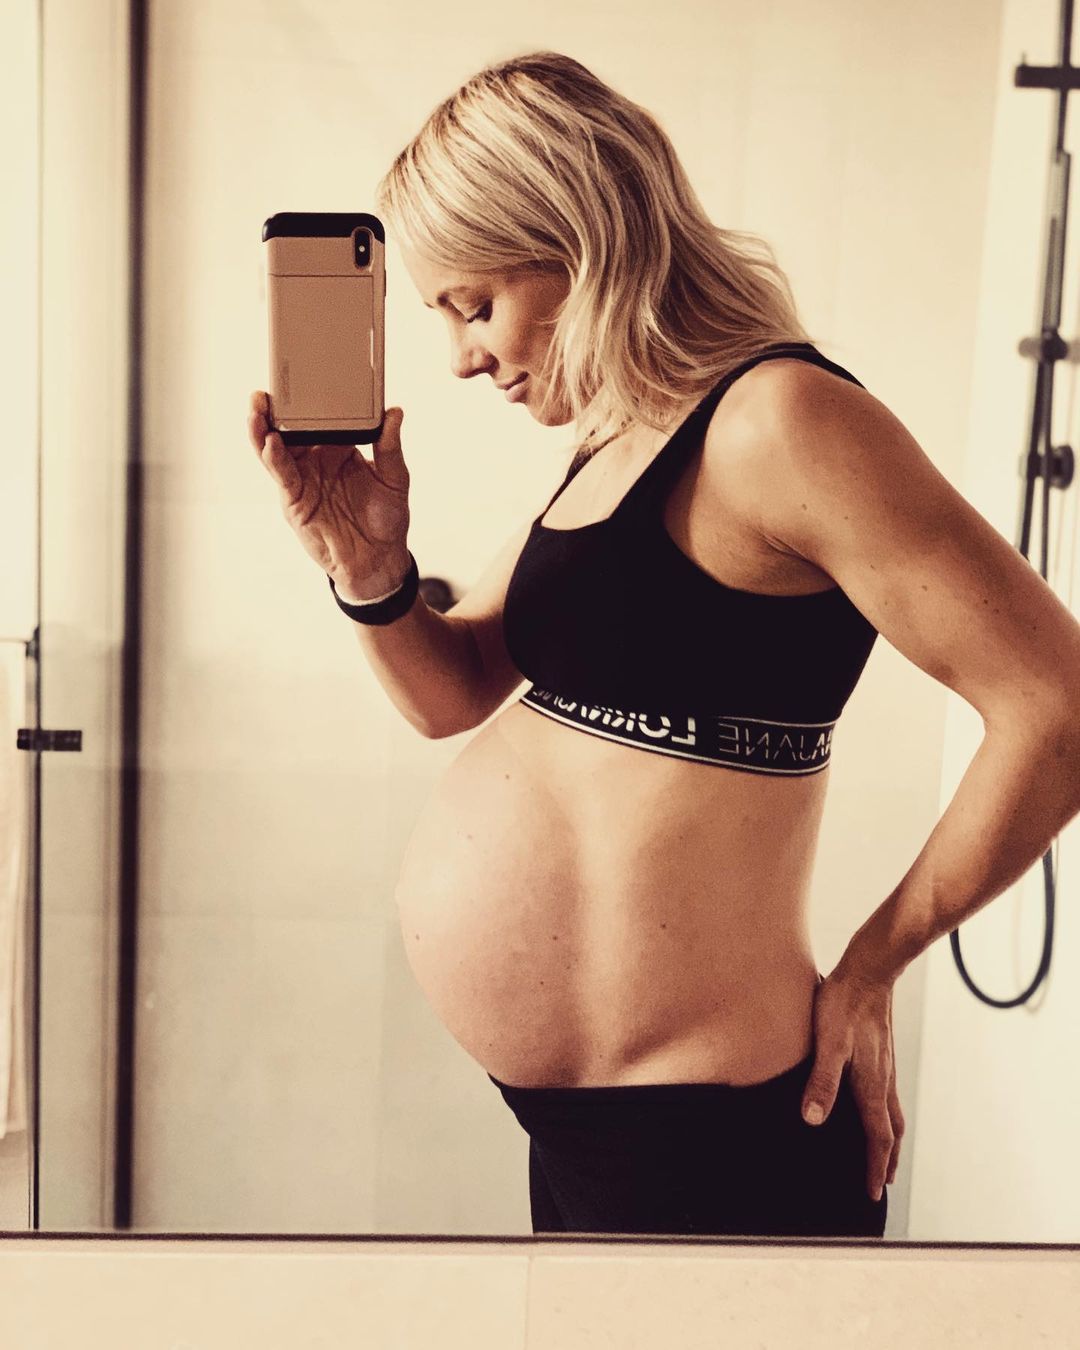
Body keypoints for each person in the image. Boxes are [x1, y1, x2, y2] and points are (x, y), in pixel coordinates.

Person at [246, 53, 1080, 1238]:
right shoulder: (620, 438)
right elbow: (452, 693)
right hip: (584, 1135)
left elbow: (1057, 702)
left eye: (474, 306)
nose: (462, 358)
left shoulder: (781, 421)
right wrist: (368, 569)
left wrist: (875, 963)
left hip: (720, 1142)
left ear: (580, 241)